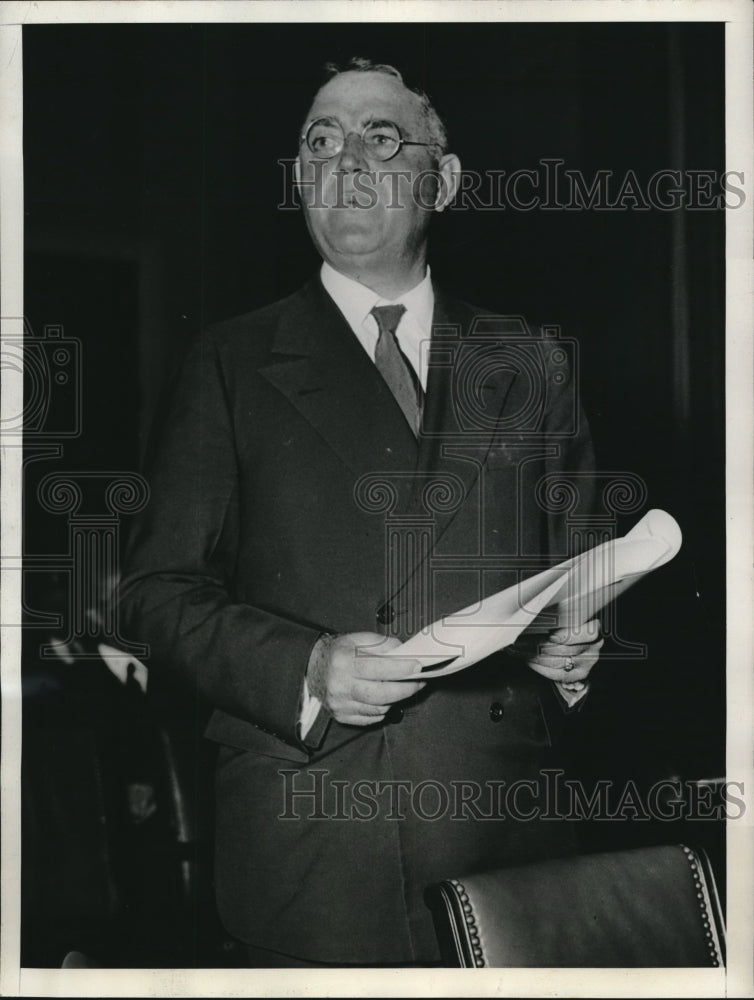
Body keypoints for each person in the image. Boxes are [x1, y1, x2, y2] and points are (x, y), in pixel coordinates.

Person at [119, 57, 603, 967]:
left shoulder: (533, 361)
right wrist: (305, 669)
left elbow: (585, 566)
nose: (346, 159)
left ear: (443, 181)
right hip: (314, 846)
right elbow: (153, 593)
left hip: (505, 837)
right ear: (300, 179)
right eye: (320, 140)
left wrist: (581, 644)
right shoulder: (229, 363)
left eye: (381, 137)